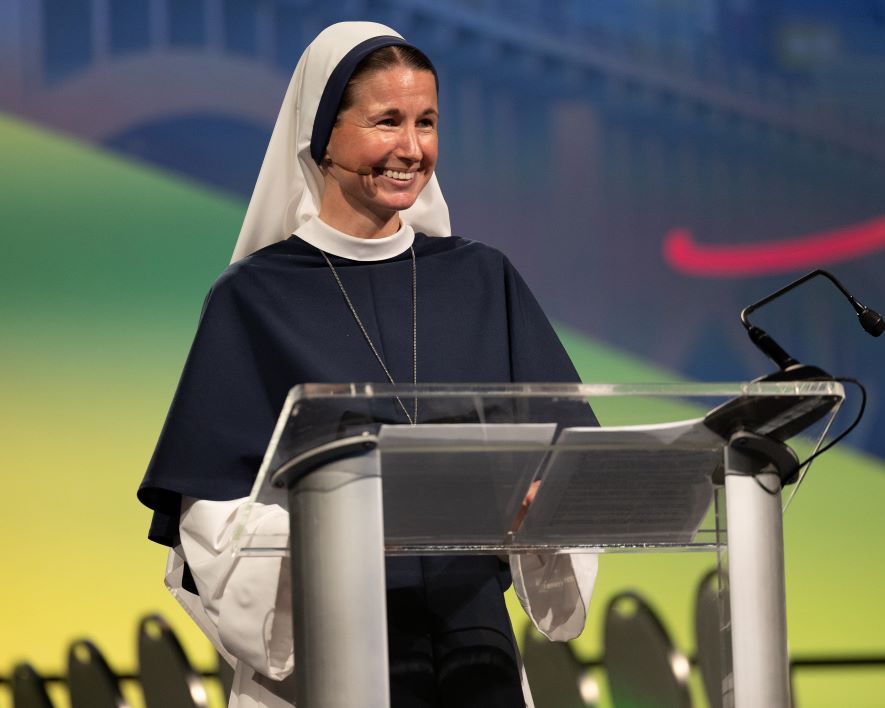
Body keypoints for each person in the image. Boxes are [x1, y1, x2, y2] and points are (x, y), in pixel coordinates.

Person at [137, 21, 596, 708]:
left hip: (476, 652)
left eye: (427, 122)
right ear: (322, 135)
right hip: (324, 657)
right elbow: (213, 515)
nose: (411, 148)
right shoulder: (253, 299)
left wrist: (543, 506)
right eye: (386, 122)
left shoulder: (482, 279)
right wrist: (342, 522)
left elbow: (573, 467)